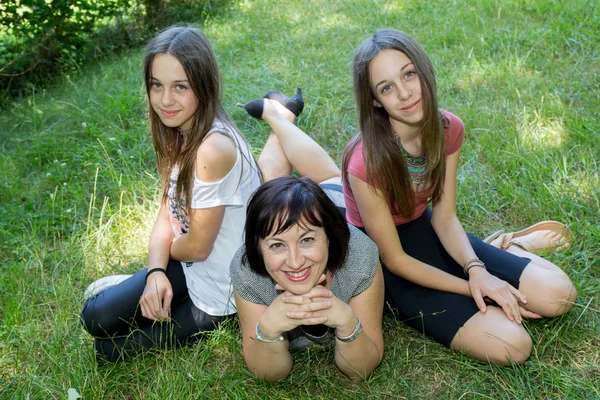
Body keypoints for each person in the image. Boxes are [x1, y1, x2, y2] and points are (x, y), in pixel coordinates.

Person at [341, 28, 577, 365]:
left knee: (560, 296)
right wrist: (476, 287)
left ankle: (508, 246)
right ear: (375, 100)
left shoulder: (449, 128)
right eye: (387, 87)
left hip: (429, 231)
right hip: (386, 261)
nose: (406, 93)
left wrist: (477, 269)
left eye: (409, 74)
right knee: (512, 346)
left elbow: (444, 215)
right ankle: (496, 253)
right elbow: (394, 259)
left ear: (422, 70)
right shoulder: (366, 161)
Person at [80, 26, 260, 361]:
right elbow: (167, 211)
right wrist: (155, 273)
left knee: (108, 350)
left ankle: (146, 288)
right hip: (189, 267)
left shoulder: (213, 148)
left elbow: (198, 247)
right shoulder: (181, 130)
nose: (165, 100)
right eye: (156, 85)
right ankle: (145, 284)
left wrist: (159, 262)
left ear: (203, 86)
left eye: (180, 87)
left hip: (221, 292)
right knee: (95, 317)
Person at [231, 99, 384, 381]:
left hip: (334, 202)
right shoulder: (246, 270)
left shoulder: (360, 255)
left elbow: (361, 369)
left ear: (328, 238)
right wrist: (267, 330)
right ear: (259, 248)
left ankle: (276, 116)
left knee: (327, 176)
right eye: (276, 245)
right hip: (288, 216)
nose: (295, 261)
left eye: (307, 241)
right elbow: (267, 374)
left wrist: (349, 323)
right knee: (270, 185)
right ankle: (281, 113)